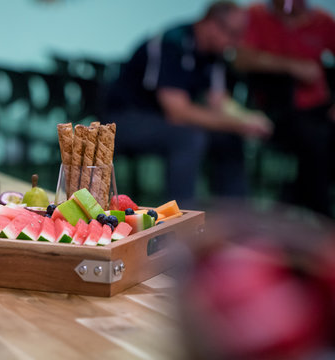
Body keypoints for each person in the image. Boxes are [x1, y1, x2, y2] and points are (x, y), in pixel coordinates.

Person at [107, 1, 272, 207]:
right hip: (124, 119)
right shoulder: (171, 43)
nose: (237, 42)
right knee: (190, 138)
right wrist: (238, 123)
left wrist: (246, 119)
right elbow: (178, 112)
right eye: (233, 34)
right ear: (212, 24)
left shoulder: (215, 54)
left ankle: (234, 221)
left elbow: (218, 100)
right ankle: (180, 225)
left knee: (228, 137)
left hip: (166, 119)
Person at [235, 0, 335, 216]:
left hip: (319, 105)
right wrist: (291, 65)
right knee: (315, 138)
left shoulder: (322, 20)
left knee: (322, 137)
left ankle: (297, 200)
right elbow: (240, 59)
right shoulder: (254, 15)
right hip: (275, 108)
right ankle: (319, 214)